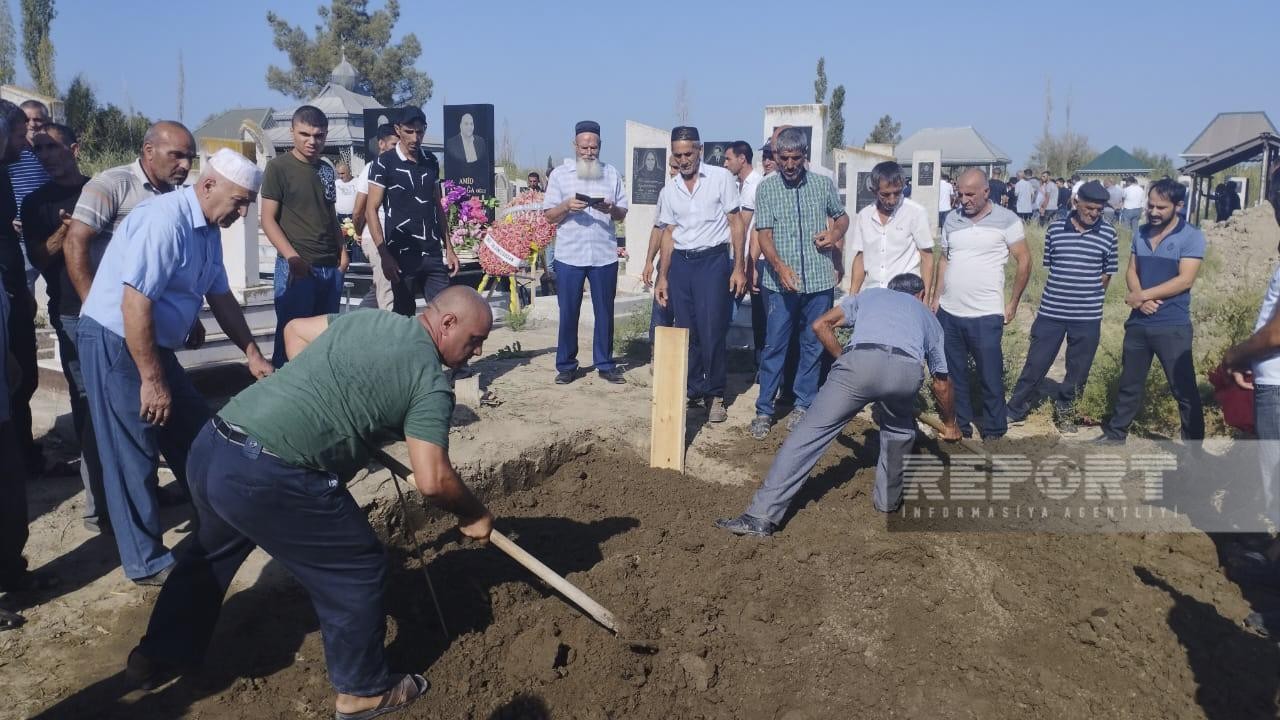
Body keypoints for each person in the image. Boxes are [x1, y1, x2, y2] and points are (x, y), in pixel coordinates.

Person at [125, 287, 493, 718]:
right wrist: (474, 513)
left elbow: (295, 331)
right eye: (474, 340)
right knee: (357, 568)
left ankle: (158, 655)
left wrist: (320, 401)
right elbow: (433, 480)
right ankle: (362, 691)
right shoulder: (429, 382)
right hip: (267, 474)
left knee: (213, 551)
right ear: (447, 323)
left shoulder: (370, 319)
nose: (478, 351)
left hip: (215, 444)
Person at [77, 149, 274, 585]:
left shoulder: (208, 229)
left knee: (198, 434)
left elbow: (220, 295)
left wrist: (252, 353)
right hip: (114, 338)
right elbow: (135, 303)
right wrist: (152, 380)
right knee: (132, 450)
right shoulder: (163, 221)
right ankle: (145, 561)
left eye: (248, 204)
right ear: (209, 185)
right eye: (239, 202)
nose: (243, 213)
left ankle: (219, 520)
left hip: (151, 342)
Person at [716, 273, 962, 536]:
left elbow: (821, 325)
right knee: (899, 432)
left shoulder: (870, 295)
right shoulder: (928, 317)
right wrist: (950, 424)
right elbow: (942, 383)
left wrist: (845, 360)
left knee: (809, 435)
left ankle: (760, 517)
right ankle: (887, 503)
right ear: (920, 295)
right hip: (905, 371)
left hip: (858, 363)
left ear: (889, 288)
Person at [20, 124, 108, 532]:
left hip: (116, 310)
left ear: (74, 149)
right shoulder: (36, 203)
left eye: (52, 148)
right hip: (72, 314)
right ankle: (98, 505)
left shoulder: (101, 189)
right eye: (38, 149)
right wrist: (67, 231)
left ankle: (138, 490)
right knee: (88, 405)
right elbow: (39, 258)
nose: (45, 156)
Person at [749, 128, 848, 439]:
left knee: (812, 344)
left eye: (795, 158)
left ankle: (804, 404)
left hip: (818, 280)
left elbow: (841, 217)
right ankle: (764, 409)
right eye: (784, 158)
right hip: (781, 283)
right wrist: (779, 267)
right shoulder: (767, 189)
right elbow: (764, 235)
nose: (790, 165)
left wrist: (834, 234)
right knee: (775, 345)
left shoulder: (822, 184)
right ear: (775, 157)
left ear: (805, 156)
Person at [1098, 179, 1205, 443]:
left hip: (1172, 325)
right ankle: (1116, 435)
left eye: (1161, 207)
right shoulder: (1142, 232)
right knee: (1129, 383)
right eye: (1151, 205)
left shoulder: (1191, 236)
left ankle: (1193, 451)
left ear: (1178, 206)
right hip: (1139, 322)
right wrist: (1140, 301)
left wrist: (1142, 295)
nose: (1154, 212)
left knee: (1183, 389)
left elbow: (1185, 280)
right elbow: (1132, 270)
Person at [1006, 181, 1117, 433]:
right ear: (1076, 202)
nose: (1094, 214)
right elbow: (1052, 265)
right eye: (1089, 208)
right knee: (1036, 363)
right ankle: (1015, 408)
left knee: (1078, 369)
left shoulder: (1108, 234)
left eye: (1099, 210)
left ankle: (1066, 412)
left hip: (1087, 316)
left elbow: (1106, 274)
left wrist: (1089, 297)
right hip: (1051, 312)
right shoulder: (1055, 229)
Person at [655, 125, 747, 424]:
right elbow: (669, 233)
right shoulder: (670, 190)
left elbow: (736, 222)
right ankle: (694, 388)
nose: (683, 160)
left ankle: (715, 394)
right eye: (678, 155)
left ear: (700, 150)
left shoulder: (720, 178)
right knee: (686, 329)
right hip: (682, 265)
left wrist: (738, 267)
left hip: (712, 262)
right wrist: (663, 276)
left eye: (688, 154)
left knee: (712, 329)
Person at [931, 168, 1030, 440]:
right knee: (955, 374)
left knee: (990, 375)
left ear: (986, 192)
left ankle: (995, 431)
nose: (964, 200)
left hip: (986, 314)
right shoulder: (952, 219)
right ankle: (961, 426)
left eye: (970, 194)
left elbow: (1024, 260)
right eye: (960, 194)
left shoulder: (1007, 220)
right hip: (950, 312)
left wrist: (1013, 302)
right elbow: (944, 259)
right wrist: (936, 297)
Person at [542, 120, 628, 385]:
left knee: (605, 312)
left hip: (603, 254)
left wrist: (610, 209)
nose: (589, 153)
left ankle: (605, 363)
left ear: (600, 146)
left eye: (594, 148)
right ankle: (567, 365)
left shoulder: (611, 173)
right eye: (584, 148)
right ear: (575, 146)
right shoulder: (560, 175)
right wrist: (566, 206)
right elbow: (548, 216)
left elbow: (622, 212)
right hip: (570, 255)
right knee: (568, 312)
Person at [261, 105, 348, 368]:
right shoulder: (278, 167)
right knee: (290, 340)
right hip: (297, 268)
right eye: (305, 134)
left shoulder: (326, 169)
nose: (312, 141)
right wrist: (292, 258)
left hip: (330, 267)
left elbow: (330, 214)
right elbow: (267, 219)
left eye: (319, 135)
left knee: (324, 341)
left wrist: (343, 253)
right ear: (292, 132)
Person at [367, 108, 456, 316]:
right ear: (398, 130)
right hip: (401, 255)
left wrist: (449, 248)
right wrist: (384, 255)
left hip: (432, 252)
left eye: (420, 132)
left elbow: (437, 205)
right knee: (403, 315)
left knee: (445, 313)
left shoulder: (431, 161)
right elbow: (371, 210)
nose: (415, 138)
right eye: (409, 131)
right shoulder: (383, 163)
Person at [0, 101, 40, 474]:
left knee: (22, 378)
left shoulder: (5, 173)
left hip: (13, 291)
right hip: (4, 299)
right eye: (17, 135)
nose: (24, 143)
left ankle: (24, 457)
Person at [849, 161, 933, 297]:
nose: (892, 199)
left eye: (897, 192)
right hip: (874, 294)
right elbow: (861, 257)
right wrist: (852, 297)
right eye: (885, 194)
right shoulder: (864, 215)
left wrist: (926, 298)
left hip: (906, 294)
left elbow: (927, 256)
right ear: (874, 191)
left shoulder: (916, 213)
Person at [354, 123, 399, 310]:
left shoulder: (399, 168)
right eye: (394, 144)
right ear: (381, 144)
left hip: (394, 236)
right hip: (376, 237)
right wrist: (358, 232)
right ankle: (389, 327)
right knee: (387, 292)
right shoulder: (371, 168)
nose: (398, 149)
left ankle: (356, 320)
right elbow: (359, 210)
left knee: (380, 288)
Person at [724, 140, 762, 359]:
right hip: (735, 255)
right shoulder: (738, 185)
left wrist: (746, 263)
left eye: (728, 159)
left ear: (742, 159)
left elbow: (745, 225)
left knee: (731, 310)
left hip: (748, 257)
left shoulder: (756, 185)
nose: (725, 163)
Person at [11, 100, 51, 292]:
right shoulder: (12, 152)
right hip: (21, 238)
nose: (32, 124)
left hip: (51, 235)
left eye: (38, 119)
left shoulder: (53, 151)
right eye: (27, 120)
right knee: (24, 294)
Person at [642, 155, 679, 350]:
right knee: (661, 309)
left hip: (690, 262)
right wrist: (649, 260)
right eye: (670, 167)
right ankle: (656, 352)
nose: (672, 172)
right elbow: (658, 228)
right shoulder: (666, 192)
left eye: (676, 168)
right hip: (667, 262)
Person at [444, 112, 489, 182]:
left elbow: (484, 165)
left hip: (478, 183)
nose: (469, 127)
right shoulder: (451, 143)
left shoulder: (481, 142)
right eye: (466, 124)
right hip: (457, 183)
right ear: (460, 126)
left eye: (471, 124)